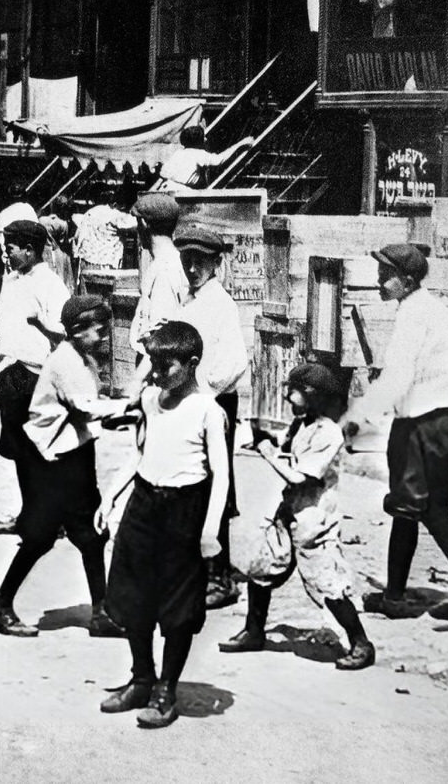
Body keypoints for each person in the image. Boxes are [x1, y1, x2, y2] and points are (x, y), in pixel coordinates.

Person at [95, 321, 230, 729]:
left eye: (165, 365)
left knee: (177, 605)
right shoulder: (152, 399)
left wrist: (209, 531)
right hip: (144, 504)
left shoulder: (208, 410)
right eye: (151, 363)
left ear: (191, 364)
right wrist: (111, 494)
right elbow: (140, 454)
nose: (155, 373)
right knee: (133, 592)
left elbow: (221, 476)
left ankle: (166, 689)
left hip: (184, 511)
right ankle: (141, 678)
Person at [343, 243, 448, 620]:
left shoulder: (411, 315)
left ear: (406, 281)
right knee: (435, 509)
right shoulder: (435, 309)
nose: (379, 280)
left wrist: (357, 417)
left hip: (420, 425)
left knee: (406, 509)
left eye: (385, 275)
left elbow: (399, 377)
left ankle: (396, 596)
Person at [0, 295, 125, 638]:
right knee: (40, 536)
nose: (105, 335)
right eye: (99, 329)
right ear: (78, 331)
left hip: (74, 455)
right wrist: (132, 405)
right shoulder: (66, 361)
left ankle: (101, 613)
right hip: (53, 461)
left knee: (91, 535)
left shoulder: (80, 356)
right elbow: (85, 407)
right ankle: (0, 605)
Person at [221, 363, 375, 670]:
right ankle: (253, 631)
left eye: (293, 392)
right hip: (289, 512)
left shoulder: (329, 433)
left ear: (312, 395)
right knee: (262, 569)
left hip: (313, 520)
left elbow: (299, 477)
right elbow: (287, 448)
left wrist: (266, 453)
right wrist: (262, 437)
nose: (288, 398)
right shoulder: (303, 425)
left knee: (327, 583)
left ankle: (361, 643)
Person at [170, 226, 249, 608]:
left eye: (200, 261)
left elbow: (234, 363)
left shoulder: (221, 304)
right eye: (187, 260)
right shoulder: (190, 300)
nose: (192, 268)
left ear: (216, 263)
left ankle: (221, 578)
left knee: (215, 486)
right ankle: (203, 568)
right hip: (194, 404)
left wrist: (202, 394)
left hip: (213, 404)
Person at [0, 219, 69, 535]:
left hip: (39, 376)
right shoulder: (12, 281)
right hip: (12, 374)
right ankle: (28, 514)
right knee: (19, 451)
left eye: (11, 250)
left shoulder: (50, 284)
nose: (7, 256)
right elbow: (5, 332)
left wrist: (40, 325)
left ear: (30, 250)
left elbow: (64, 332)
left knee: (42, 449)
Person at [128, 193, 187, 383]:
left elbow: (159, 340)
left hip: (158, 373)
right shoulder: (172, 262)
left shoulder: (164, 270)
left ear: (144, 224)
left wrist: (135, 384)